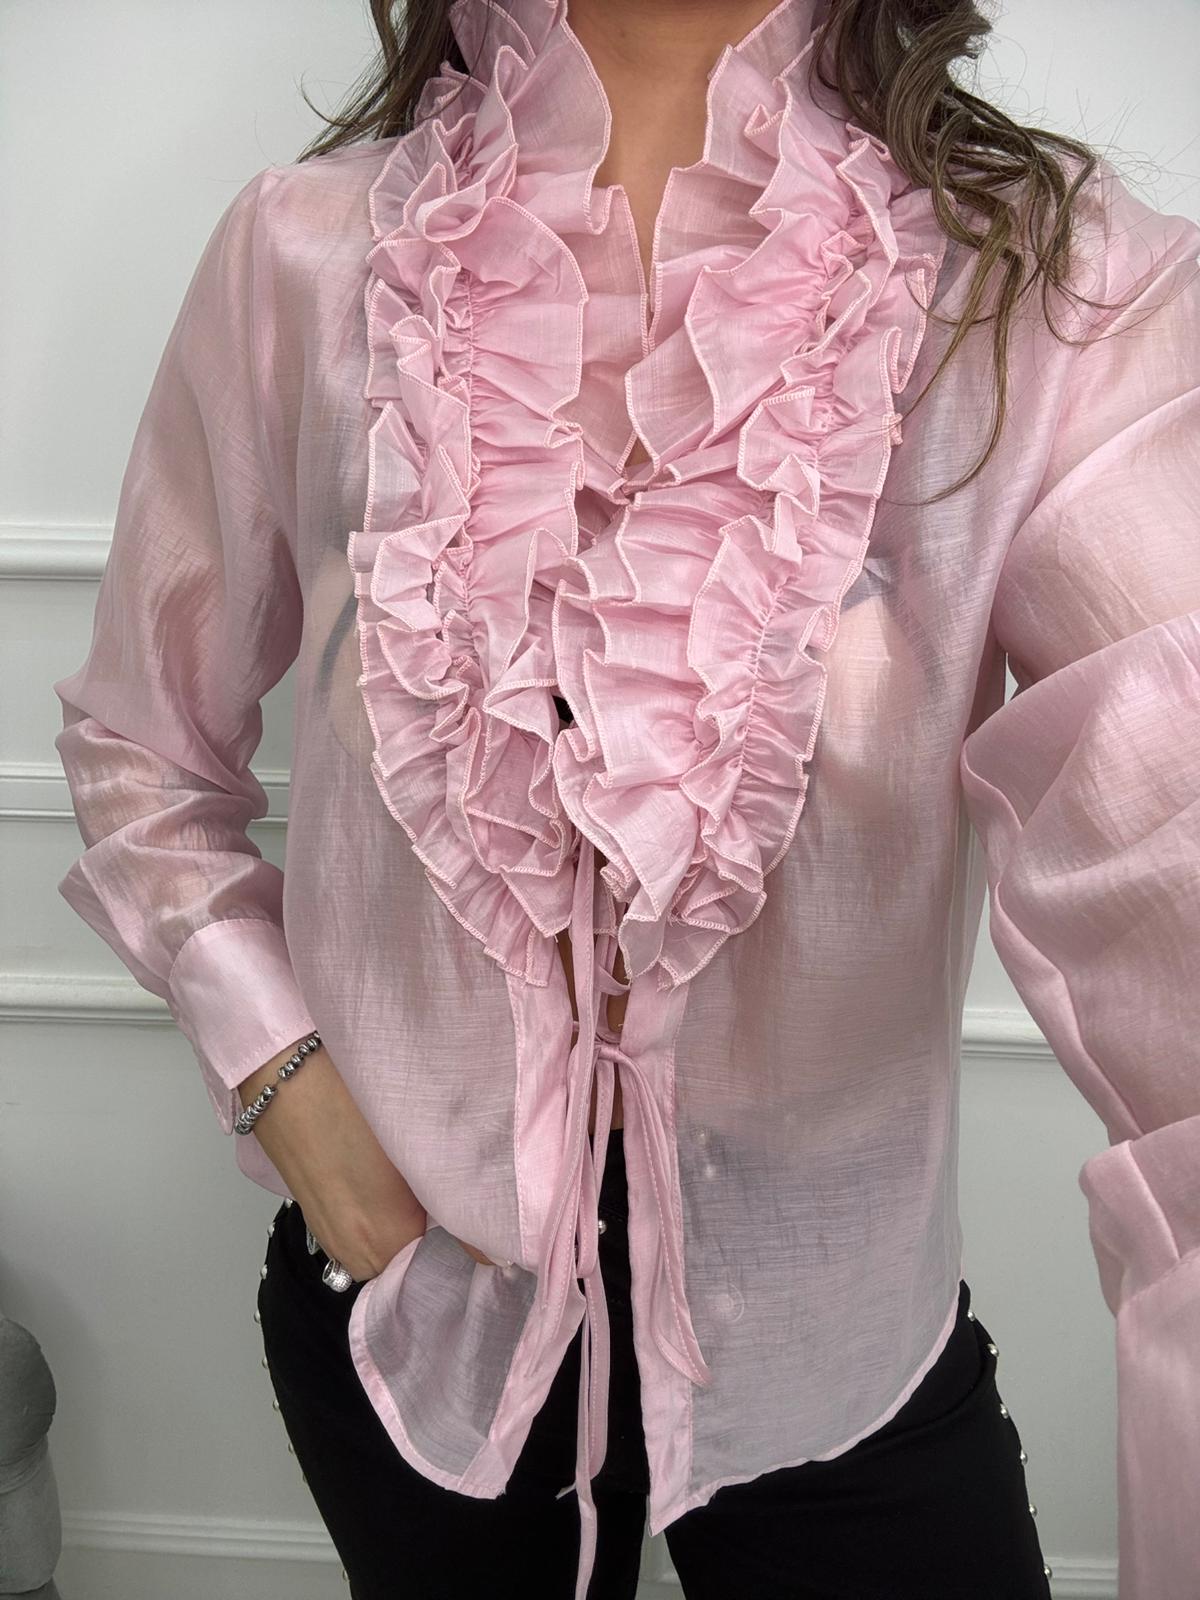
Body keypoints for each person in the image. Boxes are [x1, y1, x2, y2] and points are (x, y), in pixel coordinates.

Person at [52, 1, 1199, 1597]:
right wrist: (287, 1089)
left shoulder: (1047, 290)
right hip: (416, 1316)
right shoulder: (302, 259)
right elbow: (142, 747)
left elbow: (1170, 833)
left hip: (835, 1336)